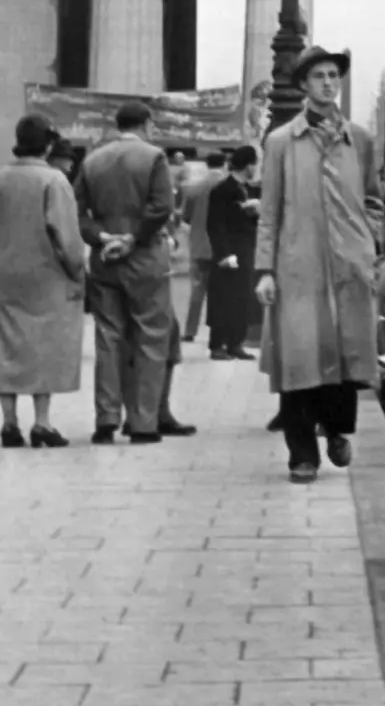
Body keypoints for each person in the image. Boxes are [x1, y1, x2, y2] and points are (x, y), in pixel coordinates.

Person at [255, 46, 380, 483]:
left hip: (349, 267)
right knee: (299, 357)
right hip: (298, 267)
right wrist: (265, 270)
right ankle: (301, 454)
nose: (329, 83)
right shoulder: (280, 143)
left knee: (346, 354)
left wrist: (369, 244)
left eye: (334, 75)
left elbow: (373, 198)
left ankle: (337, 429)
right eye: (320, 76)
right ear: (303, 86)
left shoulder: (359, 139)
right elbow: (269, 210)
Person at [75, 101, 178, 444]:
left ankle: (106, 418)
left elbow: (77, 212)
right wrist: (133, 239)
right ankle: (143, 422)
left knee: (108, 337)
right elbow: (162, 207)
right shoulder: (154, 157)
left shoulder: (92, 160)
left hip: (104, 258)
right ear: (147, 124)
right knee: (150, 337)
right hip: (145, 256)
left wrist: (102, 237)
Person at [0, 113, 87, 447]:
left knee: (7, 347)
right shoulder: (53, 181)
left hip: (6, 277)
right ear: (49, 144)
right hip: (47, 277)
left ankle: (8, 423)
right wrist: (77, 271)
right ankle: (42, 423)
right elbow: (66, 236)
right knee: (44, 347)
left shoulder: (3, 176)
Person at [207, 145, 261, 360]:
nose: (255, 168)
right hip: (228, 251)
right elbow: (215, 225)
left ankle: (235, 342)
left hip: (247, 249)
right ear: (247, 165)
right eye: (254, 163)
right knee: (223, 298)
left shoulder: (251, 190)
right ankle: (217, 344)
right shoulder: (222, 190)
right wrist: (224, 254)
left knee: (242, 297)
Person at [180, 151, 226, 342]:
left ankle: (190, 332)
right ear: (224, 164)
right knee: (223, 293)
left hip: (199, 245)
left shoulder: (194, 188)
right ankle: (221, 334)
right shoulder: (231, 187)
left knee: (197, 292)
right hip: (224, 248)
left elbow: (186, 218)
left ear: (206, 165)